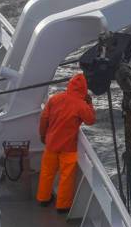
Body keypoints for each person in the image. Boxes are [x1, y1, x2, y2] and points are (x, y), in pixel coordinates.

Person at [37, 73, 96, 212]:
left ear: (69, 85)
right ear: (84, 89)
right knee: (66, 176)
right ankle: (63, 206)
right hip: (68, 147)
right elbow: (91, 120)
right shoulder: (81, 105)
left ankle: (43, 199)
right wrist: (90, 103)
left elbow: (44, 118)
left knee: (47, 172)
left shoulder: (55, 99)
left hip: (51, 143)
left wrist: (42, 135)